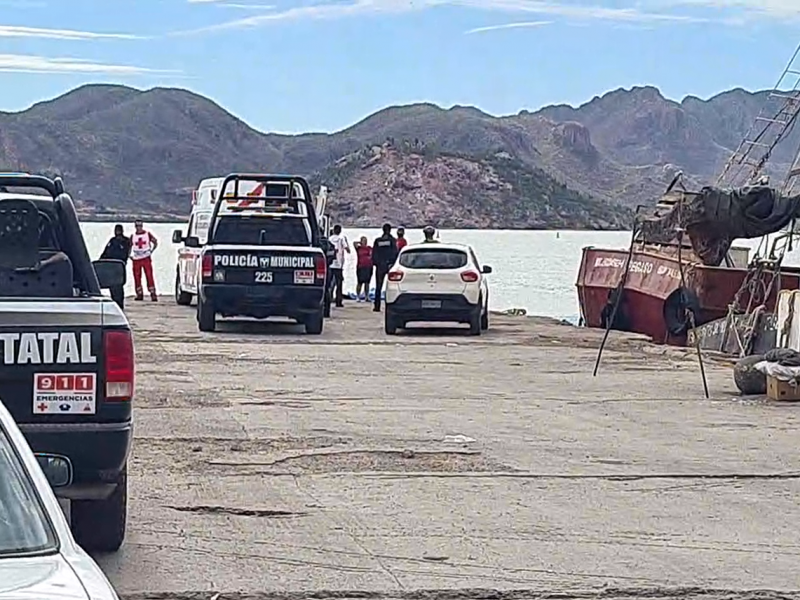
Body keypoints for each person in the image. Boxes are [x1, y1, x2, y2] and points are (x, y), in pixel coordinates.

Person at [100, 224, 131, 309]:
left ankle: (120, 304)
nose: (117, 232)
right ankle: (116, 303)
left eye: (118, 230)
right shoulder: (112, 240)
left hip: (119, 266)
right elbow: (106, 252)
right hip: (111, 266)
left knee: (119, 286)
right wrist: (101, 261)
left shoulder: (126, 241)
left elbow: (126, 253)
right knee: (112, 286)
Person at [371, 223, 398, 312]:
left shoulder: (378, 241)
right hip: (390, 266)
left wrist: (376, 263)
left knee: (378, 286)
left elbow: (374, 254)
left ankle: (377, 306)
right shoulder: (393, 241)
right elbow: (395, 253)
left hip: (380, 265)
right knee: (393, 286)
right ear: (390, 230)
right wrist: (392, 263)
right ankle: (392, 305)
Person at [130, 219, 159, 302]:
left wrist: (151, 251)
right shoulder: (133, 236)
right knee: (137, 276)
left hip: (146, 258)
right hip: (136, 259)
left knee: (149, 275)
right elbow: (129, 246)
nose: (138, 228)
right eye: (137, 226)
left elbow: (155, 242)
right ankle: (139, 293)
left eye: (139, 226)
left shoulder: (147, 234)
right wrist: (130, 256)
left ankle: (153, 293)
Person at [328, 224, 350, 307]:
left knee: (329, 283)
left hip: (330, 264)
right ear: (340, 231)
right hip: (338, 264)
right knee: (339, 284)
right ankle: (338, 301)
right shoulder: (341, 238)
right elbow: (348, 250)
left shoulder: (329, 239)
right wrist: (346, 244)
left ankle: (328, 299)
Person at [354, 236, 373, 302]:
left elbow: (372, 254)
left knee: (367, 282)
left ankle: (366, 296)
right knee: (360, 282)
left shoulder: (369, 248)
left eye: (365, 240)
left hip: (369, 266)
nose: (365, 242)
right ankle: (358, 296)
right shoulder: (359, 248)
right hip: (361, 266)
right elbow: (354, 243)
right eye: (363, 240)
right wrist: (360, 242)